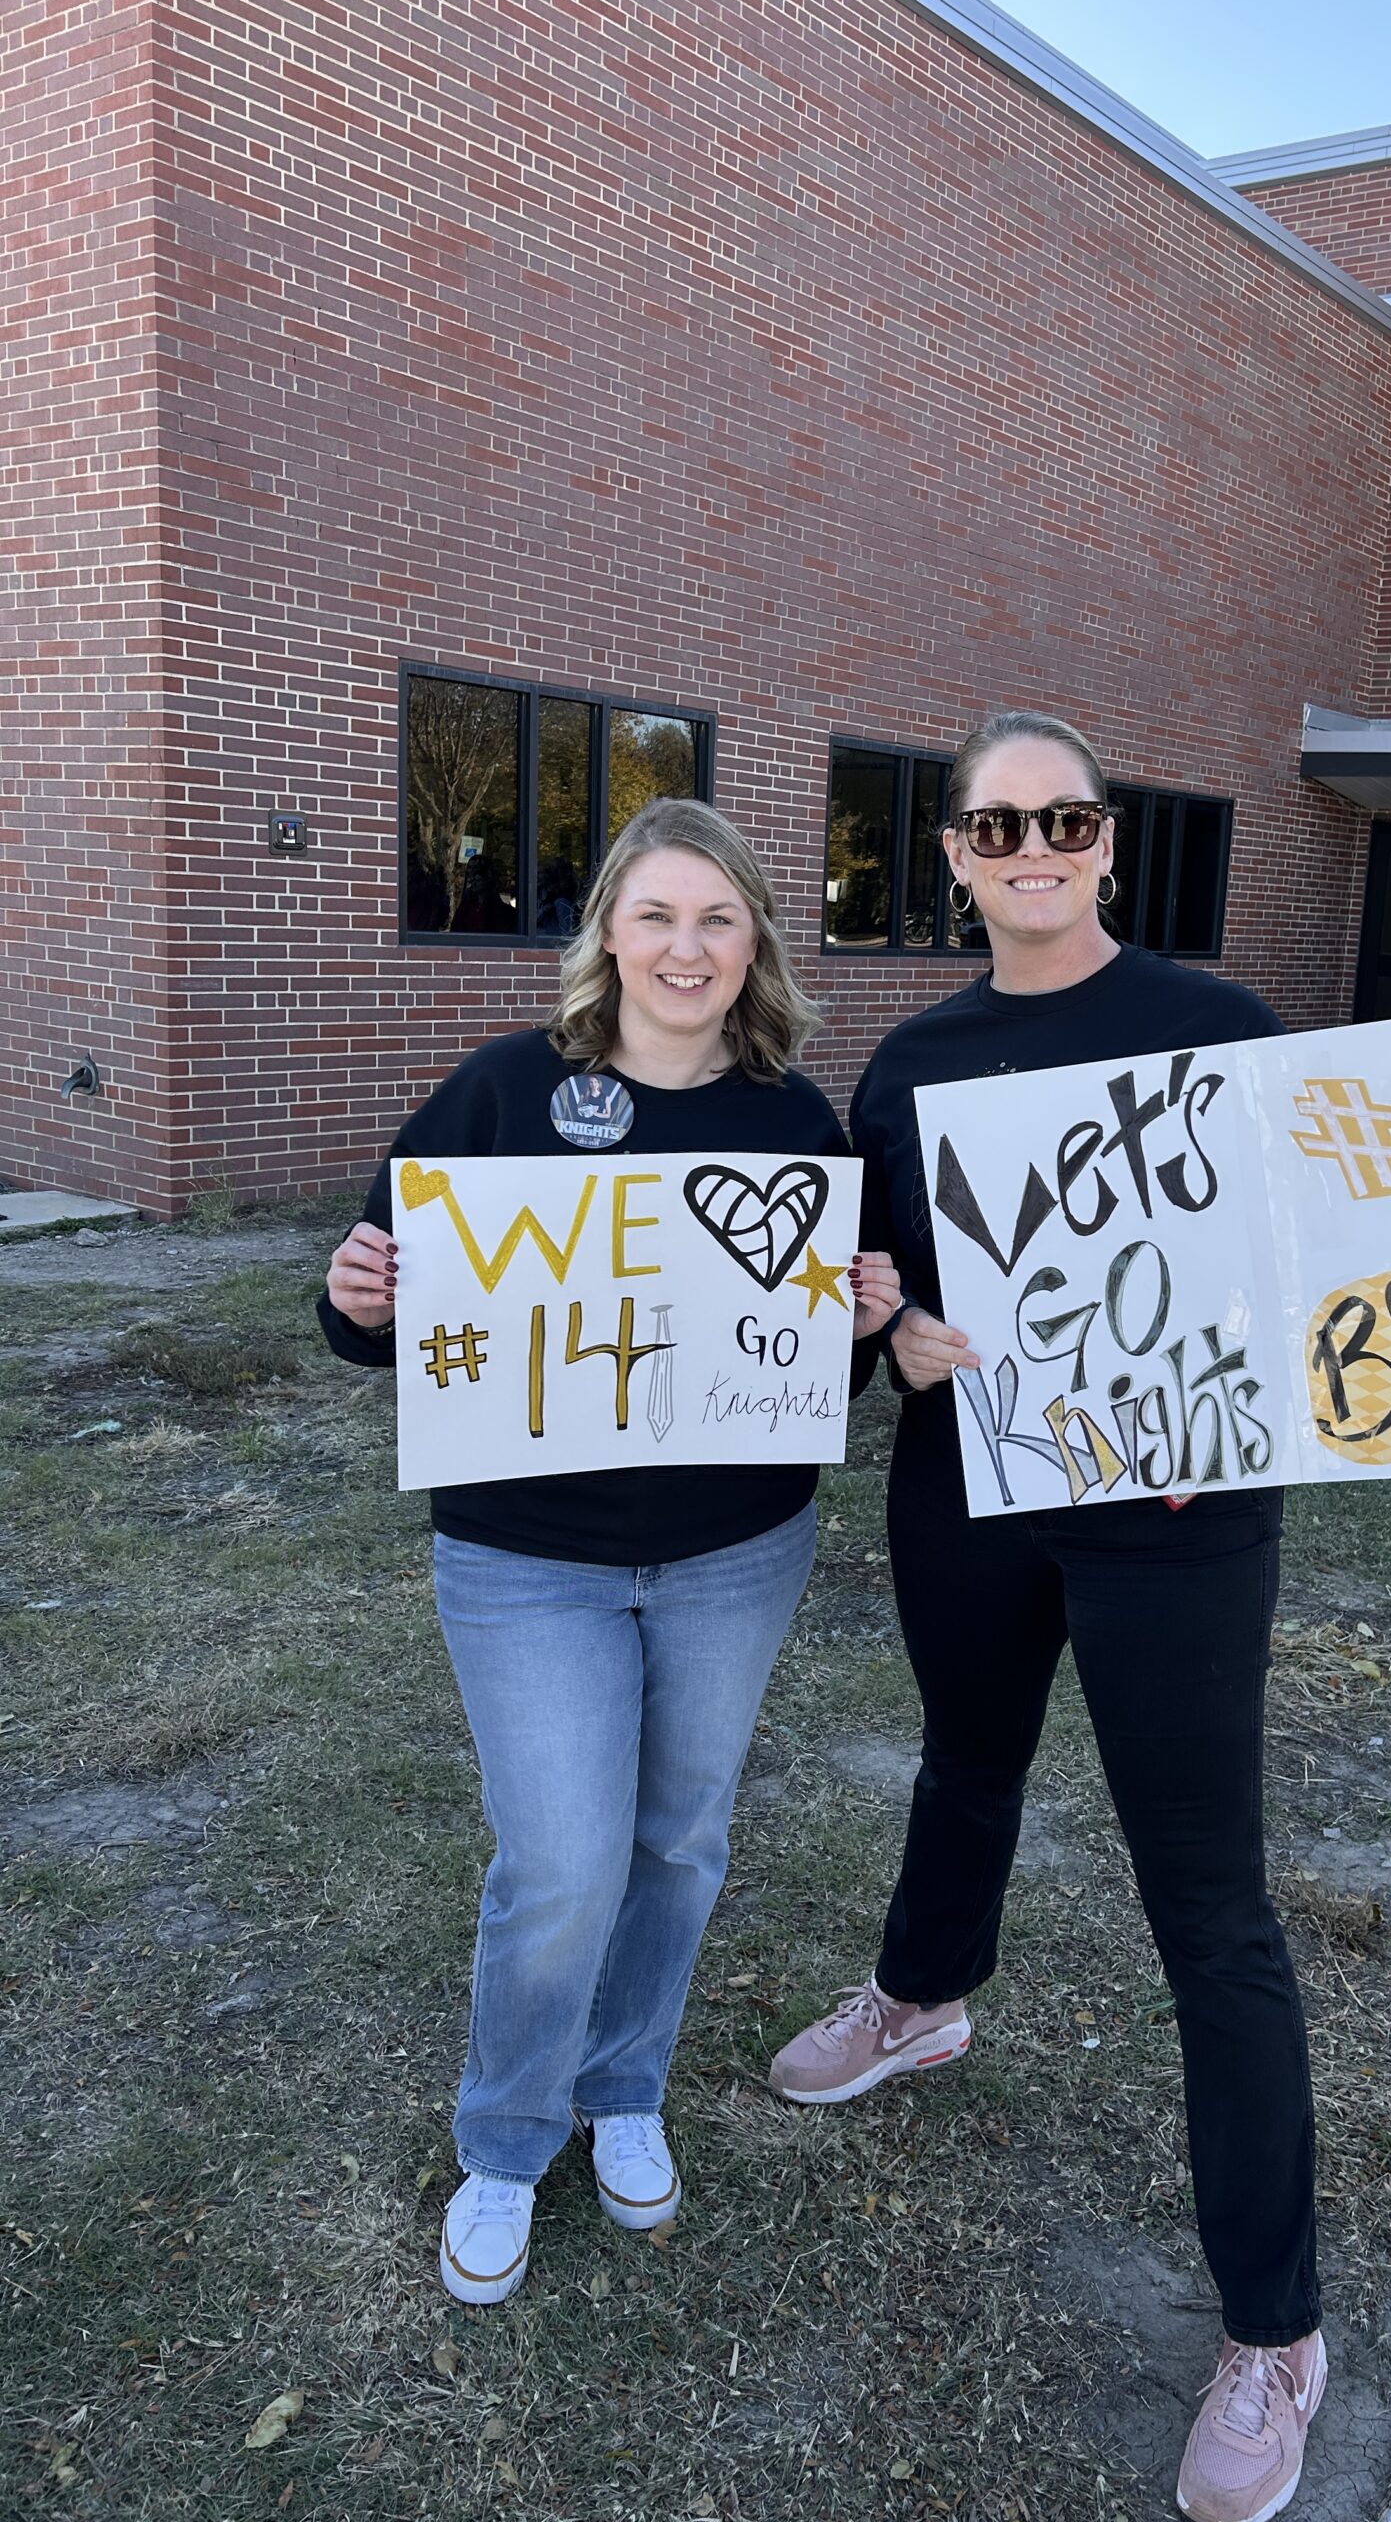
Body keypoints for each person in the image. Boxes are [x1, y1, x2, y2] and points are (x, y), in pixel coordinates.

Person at [768, 712, 1391, 2522]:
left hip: (1177, 1521)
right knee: (966, 1764)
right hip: (972, 1498)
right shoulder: (910, 1065)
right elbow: (868, 1298)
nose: (1032, 846)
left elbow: (1347, 1249)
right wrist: (892, 1333)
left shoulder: (1219, 1030)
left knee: (1212, 1904)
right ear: (953, 856)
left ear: (1109, 845)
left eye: (1065, 819)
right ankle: (924, 1995)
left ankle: (1277, 2330)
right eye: (995, 824)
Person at [321, 798, 901, 2307]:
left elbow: (796, 1383)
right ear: (607, 938)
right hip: (528, 1558)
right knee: (563, 1859)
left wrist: (846, 1328)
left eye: (716, 918)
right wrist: (360, 1299)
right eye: (655, 916)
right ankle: (508, 2138)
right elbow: (382, 1304)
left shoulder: (791, 1124)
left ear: (754, 939)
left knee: (678, 1839)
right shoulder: (509, 1091)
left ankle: (623, 2084)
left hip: (733, 1551)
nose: (686, 947)